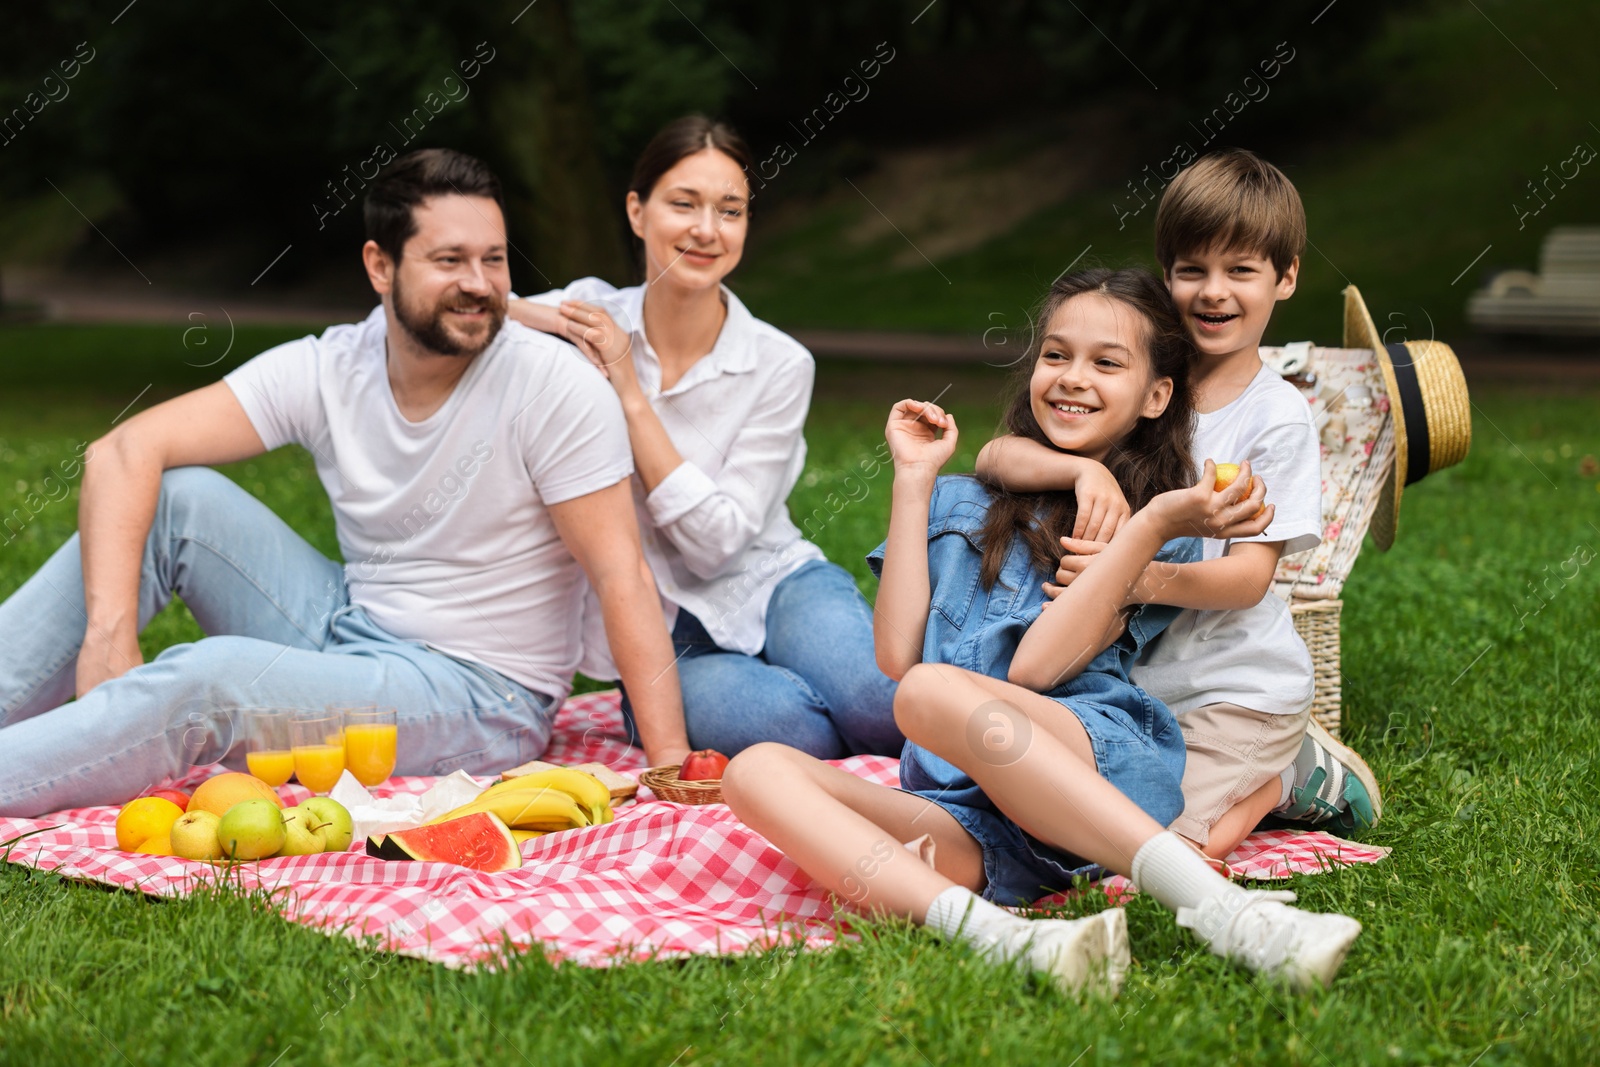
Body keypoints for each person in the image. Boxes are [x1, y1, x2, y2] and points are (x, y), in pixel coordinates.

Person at [725, 269, 1362, 998]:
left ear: (1157, 397)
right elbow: (896, 655)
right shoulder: (965, 500)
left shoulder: (1151, 523)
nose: (1072, 378)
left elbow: (1032, 669)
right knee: (755, 769)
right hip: (978, 817)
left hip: (1091, 763)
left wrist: (1149, 525)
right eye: (1056, 355)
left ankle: (1224, 910)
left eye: (1107, 363)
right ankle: (1007, 939)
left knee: (932, 694)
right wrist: (913, 479)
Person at [0, 148, 688, 818]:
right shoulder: (335, 365)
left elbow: (620, 572)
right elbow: (123, 449)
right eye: (449, 260)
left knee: (209, 681)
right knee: (176, 500)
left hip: (480, 696)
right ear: (379, 266)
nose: (478, 282)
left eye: (494, 259)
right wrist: (109, 634)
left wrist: (672, 765)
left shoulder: (550, 386)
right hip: (346, 624)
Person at [976, 150, 1381, 860]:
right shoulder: (1136, 379)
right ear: (1167, 275)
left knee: (1161, 850)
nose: (1213, 291)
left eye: (1241, 271)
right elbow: (992, 459)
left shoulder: (1275, 417)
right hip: (1132, 685)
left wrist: (1128, 574)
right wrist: (1080, 472)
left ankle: (1287, 775)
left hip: (1235, 690)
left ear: (1286, 277)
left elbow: (1247, 580)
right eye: (1192, 269)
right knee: (1061, 824)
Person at [507, 115, 899, 760]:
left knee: (876, 709)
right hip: (659, 625)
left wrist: (628, 392)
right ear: (637, 212)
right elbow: (466, 306)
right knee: (793, 733)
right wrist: (552, 319)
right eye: (683, 204)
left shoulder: (780, 363)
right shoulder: (588, 315)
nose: (706, 230)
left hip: (776, 581)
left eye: (730, 210)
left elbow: (716, 544)